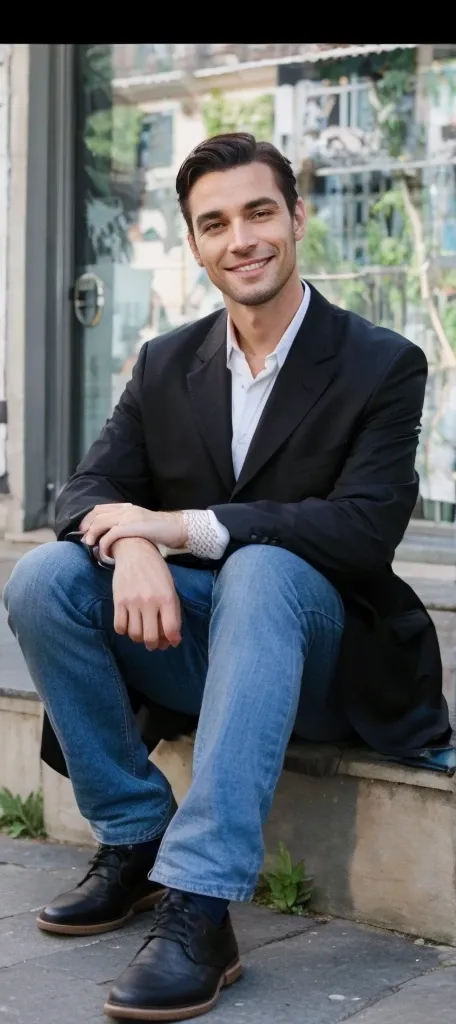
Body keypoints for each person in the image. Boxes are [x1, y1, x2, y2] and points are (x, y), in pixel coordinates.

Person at [3, 132, 451, 1022]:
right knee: (45, 578)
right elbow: (89, 489)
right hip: (202, 650)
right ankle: (135, 838)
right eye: (215, 223)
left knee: (263, 571)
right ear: (196, 242)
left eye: (257, 212)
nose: (240, 238)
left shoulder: (381, 361)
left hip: (332, 662)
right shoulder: (168, 361)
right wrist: (130, 547)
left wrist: (175, 528)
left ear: (296, 217)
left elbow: (362, 530)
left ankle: (202, 907)